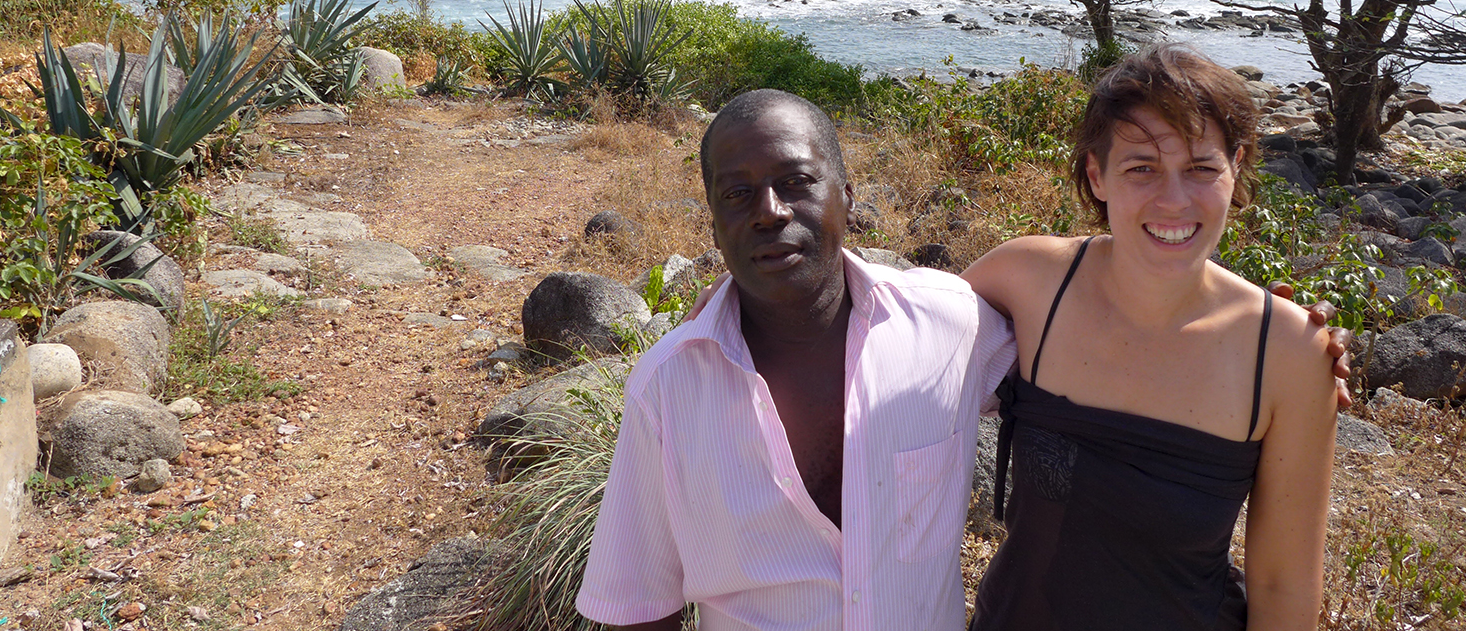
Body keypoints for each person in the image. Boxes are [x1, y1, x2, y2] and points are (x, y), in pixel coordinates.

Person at [576, 81, 1344, 630]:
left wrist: (1285, 334)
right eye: (737, 195)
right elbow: (640, 600)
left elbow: (1283, 584)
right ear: (1096, 175)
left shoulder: (942, 322)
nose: (771, 212)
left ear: (847, 193)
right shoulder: (667, 387)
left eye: (796, 182)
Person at [964, 44, 1337, 629]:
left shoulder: (1287, 352)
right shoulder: (1027, 281)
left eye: (1201, 168)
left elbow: (1282, 583)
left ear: (1235, 169)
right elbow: (895, 351)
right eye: (1141, 167)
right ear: (1097, 174)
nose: (1174, 200)